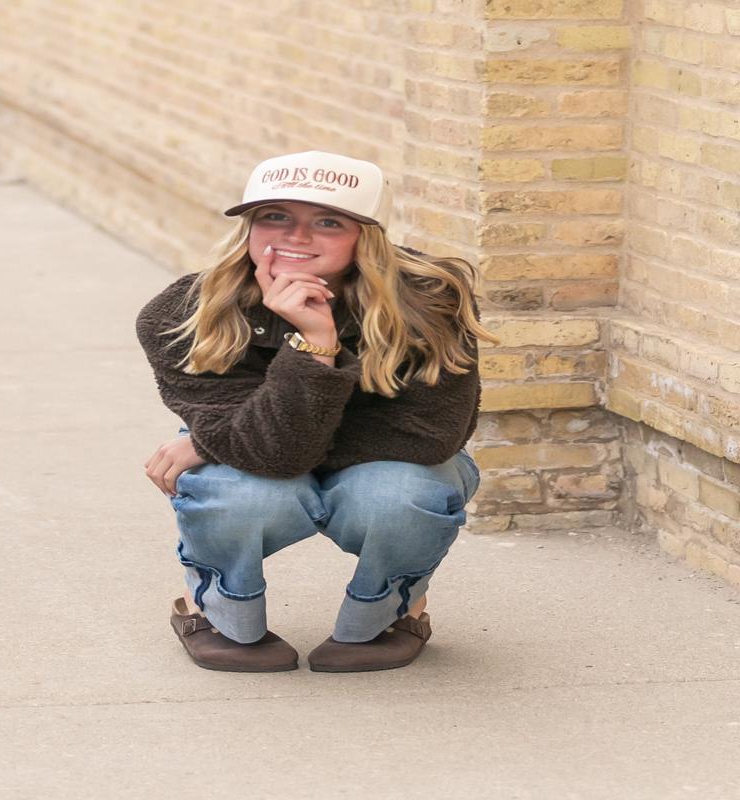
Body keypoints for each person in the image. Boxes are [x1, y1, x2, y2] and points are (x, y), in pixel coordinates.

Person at [136, 150, 500, 673]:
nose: (296, 237)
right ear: (249, 228)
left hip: (391, 463)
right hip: (275, 462)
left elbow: (430, 436)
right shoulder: (183, 314)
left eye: (327, 222)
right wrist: (314, 348)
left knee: (401, 494)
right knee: (239, 493)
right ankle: (218, 613)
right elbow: (273, 455)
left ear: (366, 236)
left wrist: (210, 442)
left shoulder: (429, 300)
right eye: (274, 216)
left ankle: (392, 614)